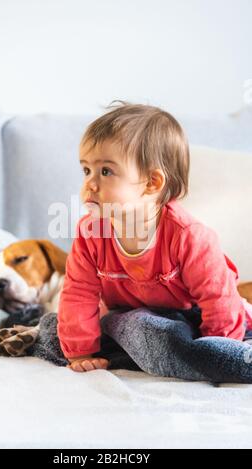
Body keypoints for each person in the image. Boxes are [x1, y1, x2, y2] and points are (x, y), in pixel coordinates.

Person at [57, 101, 252, 373]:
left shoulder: (189, 237)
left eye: (105, 171)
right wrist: (82, 351)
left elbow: (218, 299)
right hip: (132, 312)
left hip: (193, 313)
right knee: (67, 326)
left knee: (199, 327)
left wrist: (217, 352)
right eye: (86, 170)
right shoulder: (91, 233)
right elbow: (78, 293)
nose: (89, 183)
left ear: (152, 183)